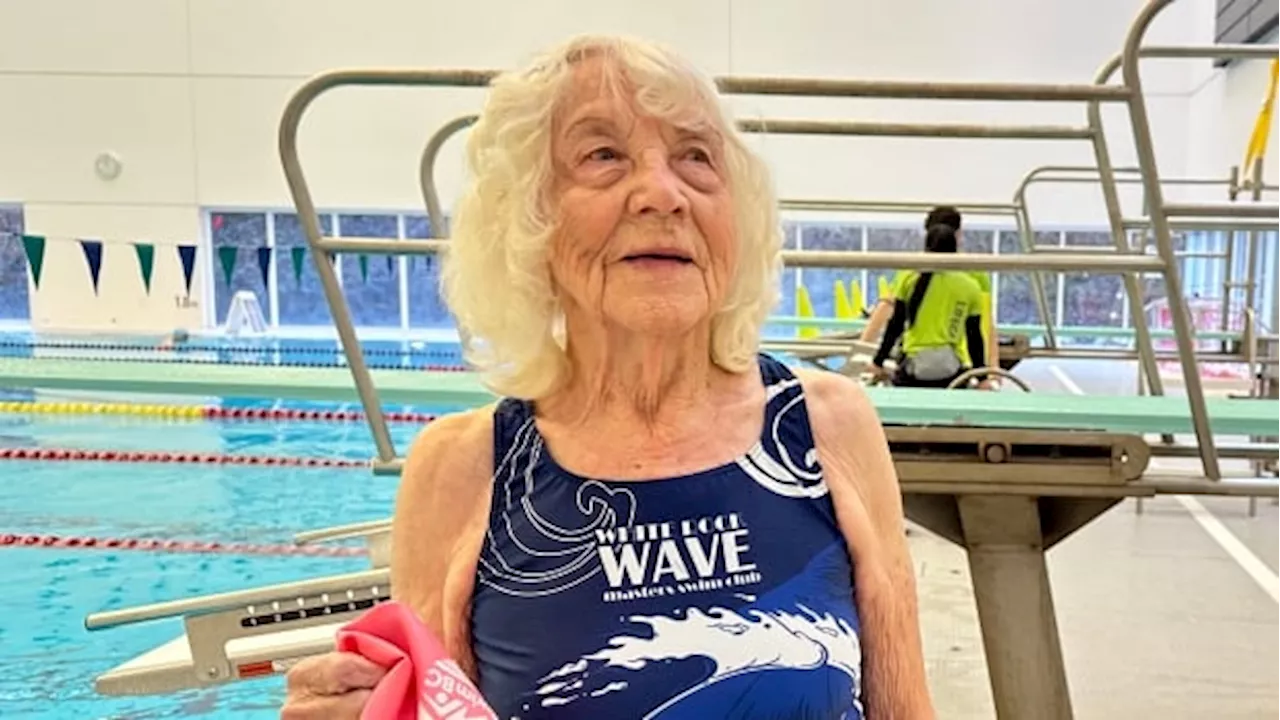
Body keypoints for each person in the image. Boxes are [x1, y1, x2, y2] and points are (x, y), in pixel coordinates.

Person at [281, 34, 935, 720]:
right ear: (527, 220)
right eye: (603, 156)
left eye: (696, 158)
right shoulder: (464, 470)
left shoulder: (825, 427)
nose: (662, 193)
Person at [859, 207, 1000, 387]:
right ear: (957, 236)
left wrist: (873, 359)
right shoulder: (972, 279)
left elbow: (893, 321)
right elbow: (981, 331)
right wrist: (988, 374)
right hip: (957, 369)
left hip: (913, 367)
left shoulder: (909, 274)